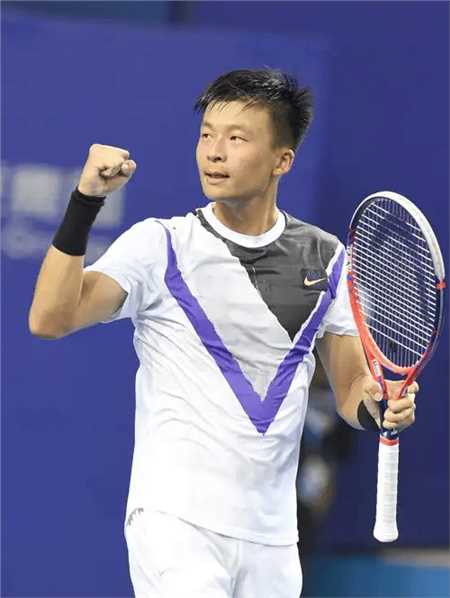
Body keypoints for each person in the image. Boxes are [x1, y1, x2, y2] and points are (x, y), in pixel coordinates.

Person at [29, 69, 418, 598]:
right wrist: (85, 201)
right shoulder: (162, 245)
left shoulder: (326, 258)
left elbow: (352, 389)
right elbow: (49, 319)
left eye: (237, 138)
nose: (214, 152)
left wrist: (379, 405)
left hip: (272, 539)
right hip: (176, 521)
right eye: (207, 135)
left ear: (282, 160)